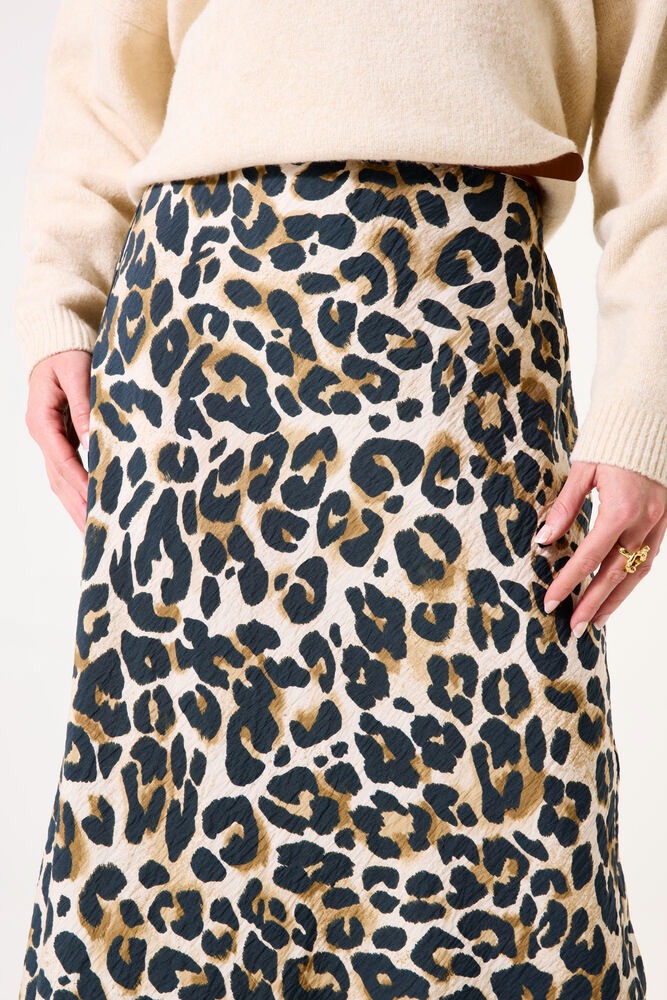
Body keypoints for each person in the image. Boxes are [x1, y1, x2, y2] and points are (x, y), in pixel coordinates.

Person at [14, 1, 665, 996]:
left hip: (462, 332)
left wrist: (645, 407)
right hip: (201, 332)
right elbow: (106, 66)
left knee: (507, 835)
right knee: (173, 837)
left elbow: (653, 109)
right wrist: (57, 295)